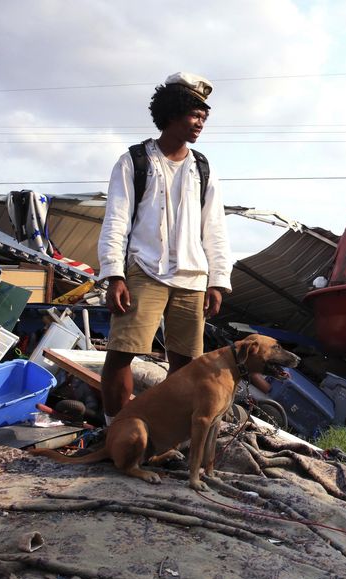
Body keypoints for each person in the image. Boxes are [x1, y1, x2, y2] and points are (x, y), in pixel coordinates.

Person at [97, 72, 232, 425]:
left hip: (192, 277)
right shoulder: (134, 161)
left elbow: (214, 228)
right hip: (144, 270)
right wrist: (113, 274)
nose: (200, 122)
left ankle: (162, 436)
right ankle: (116, 431)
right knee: (122, 353)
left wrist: (217, 280)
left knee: (187, 365)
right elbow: (116, 220)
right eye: (194, 114)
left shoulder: (203, 168)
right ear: (172, 112)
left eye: (204, 116)